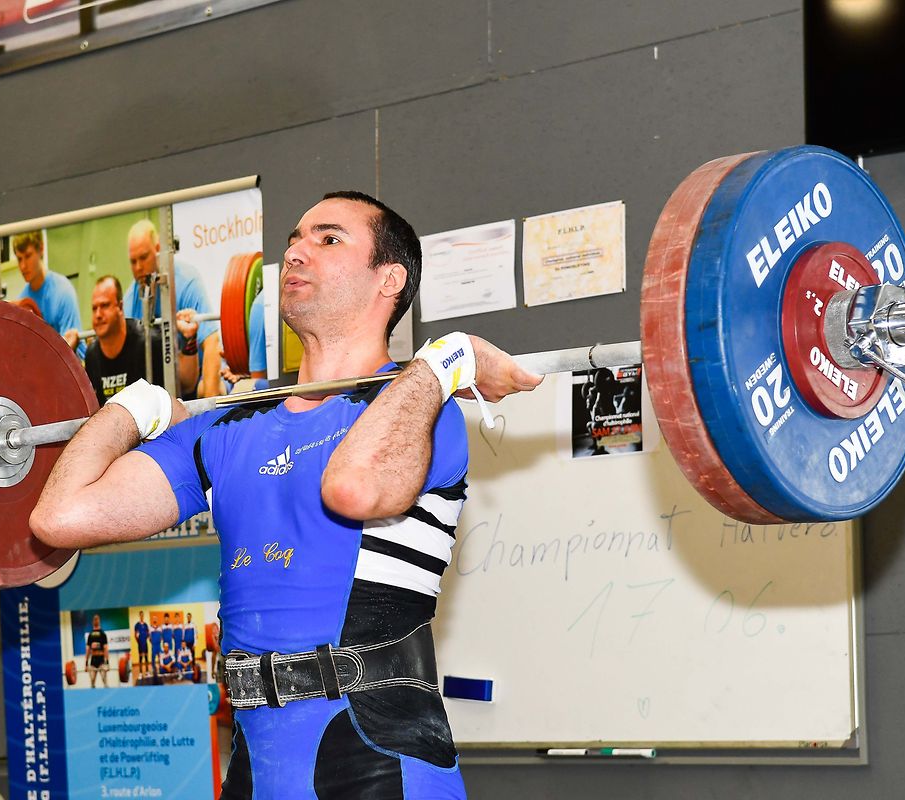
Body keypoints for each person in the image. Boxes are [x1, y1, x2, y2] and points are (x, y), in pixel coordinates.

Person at [31, 191, 540, 798]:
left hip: (377, 760)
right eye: (294, 239)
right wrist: (128, 409)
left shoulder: (424, 416)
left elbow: (355, 487)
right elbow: (60, 517)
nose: (296, 251)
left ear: (390, 279)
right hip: (254, 766)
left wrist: (438, 365)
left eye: (328, 239)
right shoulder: (228, 426)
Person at [124, 219, 221, 398]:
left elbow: (211, 342)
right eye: (133, 261)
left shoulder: (188, 281)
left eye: (143, 257)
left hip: (195, 381)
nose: (138, 267)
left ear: (158, 249)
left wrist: (211, 408)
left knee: (207, 390)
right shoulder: (130, 300)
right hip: (160, 386)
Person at [83, 276, 196, 404]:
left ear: (120, 307)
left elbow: (187, 386)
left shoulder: (149, 342)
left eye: (104, 306)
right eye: (94, 308)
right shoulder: (91, 355)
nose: (98, 315)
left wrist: (190, 339)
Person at [13, 230, 85, 360]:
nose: (23, 266)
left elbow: (70, 349)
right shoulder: (22, 302)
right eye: (19, 259)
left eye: (28, 256)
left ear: (41, 249)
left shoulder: (63, 291)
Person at [85, 614, 109, 688]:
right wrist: (86, 664)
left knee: (105, 682)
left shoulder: (103, 634)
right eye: (94, 619)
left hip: (101, 660)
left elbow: (106, 648)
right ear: (93, 622)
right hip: (93, 660)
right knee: (92, 683)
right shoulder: (90, 634)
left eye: (97, 619)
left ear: (99, 621)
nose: (95, 620)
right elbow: (88, 649)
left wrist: (107, 663)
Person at [133, 610, 151, 675]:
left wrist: (147, 637)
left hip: (145, 643)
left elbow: (148, 633)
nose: (142, 616)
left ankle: (147, 671)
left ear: (143, 616)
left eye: (142, 615)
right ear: (139, 616)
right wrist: (139, 641)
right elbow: (135, 635)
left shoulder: (146, 625)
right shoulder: (137, 625)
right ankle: (140, 672)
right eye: (141, 615)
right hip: (140, 644)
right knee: (140, 658)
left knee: (146, 658)